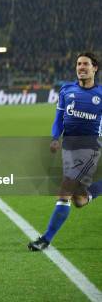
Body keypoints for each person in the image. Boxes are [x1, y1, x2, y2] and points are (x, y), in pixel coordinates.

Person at [28, 52, 102, 251]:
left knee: (64, 192)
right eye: (78, 64)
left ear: (95, 68)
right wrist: (54, 138)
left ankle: (45, 239)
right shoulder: (66, 90)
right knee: (79, 200)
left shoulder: (100, 95)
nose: (81, 67)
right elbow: (58, 119)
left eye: (85, 64)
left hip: (90, 149)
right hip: (68, 149)